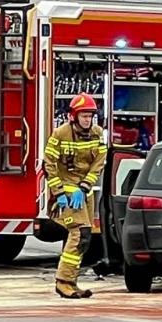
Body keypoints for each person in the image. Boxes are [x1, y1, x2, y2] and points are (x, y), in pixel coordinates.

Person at [43, 93, 106, 299]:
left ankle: (71, 281)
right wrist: (59, 193)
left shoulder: (97, 134)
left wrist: (85, 186)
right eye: (84, 116)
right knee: (79, 233)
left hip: (83, 192)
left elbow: (99, 164)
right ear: (73, 116)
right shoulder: (60, 134)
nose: (88, 120)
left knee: (84, 238)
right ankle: (63, 281)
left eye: (90, 116)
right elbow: (49, 164)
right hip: (66, 193)